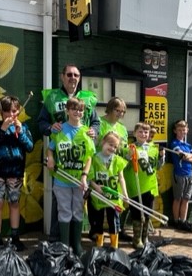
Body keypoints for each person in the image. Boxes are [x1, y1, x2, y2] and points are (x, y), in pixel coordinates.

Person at [38, 64, 100, 241]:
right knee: (61, 201)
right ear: (62, 76)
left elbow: (96, 123)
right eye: (70, 74)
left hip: (81, 158)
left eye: (76, 75)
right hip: (60, 158)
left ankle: (76, 241)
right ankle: (58, 239)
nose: (73, 78)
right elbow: (41, 123)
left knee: (78, 202)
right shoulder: (52, 98)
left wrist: (94, 131)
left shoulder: (86, 99)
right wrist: (50, 127)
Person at [46, 97, 95, 256]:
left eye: (80, 110)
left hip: (79, 181)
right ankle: (65, 246)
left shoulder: (86, 131)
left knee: (78, 211)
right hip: (62, 180)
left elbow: (89, 157)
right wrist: (51, 159)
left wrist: (84, 176)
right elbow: (50, 148)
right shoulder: (59, 129)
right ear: (67, 111)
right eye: (74, 109)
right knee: (64, 211)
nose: (77, 112)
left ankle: (77, 245)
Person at [0, 95, 34, 250]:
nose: (10, 115)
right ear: (1, 112)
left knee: (14, 203)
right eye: (6, 111)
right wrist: (2, 130)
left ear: (18, 111)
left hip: (16, 173)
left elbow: (29, 147)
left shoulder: (23, 127)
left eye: (13, 111)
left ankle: (15, 237)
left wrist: (20, 133)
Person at [123, 122, 164, 249]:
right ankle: (136, 239)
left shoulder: (154, 149)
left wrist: (162, 158)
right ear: (135, 133)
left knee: (147, 212)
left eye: (146, 132)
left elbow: (157, 166)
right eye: (140, 132)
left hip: (150, 186)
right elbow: (124, 166)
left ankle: (144, 237)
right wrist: (128, 156)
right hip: (135, 185)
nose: (143, 134)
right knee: (136, 212)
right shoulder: (130, 148)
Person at [88, 132, 129, 248]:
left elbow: (121, 178)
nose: (112, 148)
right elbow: (90, 178)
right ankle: (99, 243)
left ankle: (114, 245)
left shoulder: (117, 160)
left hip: (114, 196)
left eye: (115, 147)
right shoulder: (94, 159)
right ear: (103, 143)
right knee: (98, 220)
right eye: (110, 145)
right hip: (99, 196)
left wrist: (125, 194)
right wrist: (96, 187)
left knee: (114, 220)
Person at [169, 119, 192, 232]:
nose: (182, 132)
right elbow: (183, 156)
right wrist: (189, 156)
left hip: (189, 174)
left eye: (183, 130)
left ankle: (183, 220)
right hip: (179, 174)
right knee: (178, 198)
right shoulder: (174, 143)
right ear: (175, 131)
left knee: (186, 199)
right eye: (179, 130)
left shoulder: (188, 145)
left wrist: (190, 156)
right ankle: (176, 221)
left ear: (187, 130)